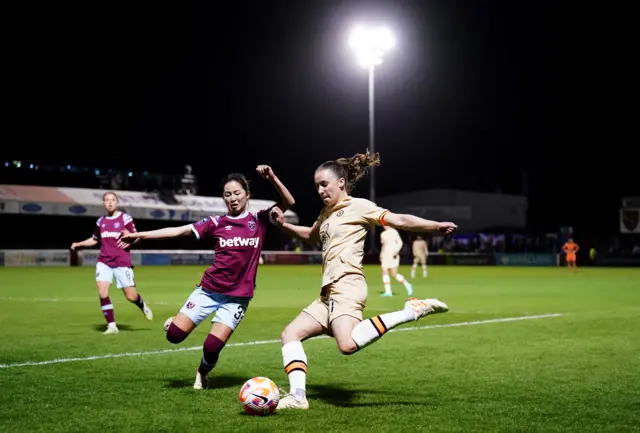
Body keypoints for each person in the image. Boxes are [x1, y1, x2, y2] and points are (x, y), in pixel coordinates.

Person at [269, 152, 457, 410]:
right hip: (327, 293)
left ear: (341, 183)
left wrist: (434, 226)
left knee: (346, 344)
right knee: (290, 334)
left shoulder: (359, 207)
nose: (321, 190)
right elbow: (312, 235)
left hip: (348, 286)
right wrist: (283, 225)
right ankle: (298, 397)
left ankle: (410, 311)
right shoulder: (326, 213)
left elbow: (399, 220)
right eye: (317, 186)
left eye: (324, 184)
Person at [119, 165, 294, 389]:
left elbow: (288, 202)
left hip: (237, 298)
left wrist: (272, 177)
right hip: (209, 290)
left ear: (247, 195)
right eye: (228, 194)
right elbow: (179, 230)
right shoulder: (215, 223)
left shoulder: (259, 220)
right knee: (174, 336)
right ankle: (175, 323)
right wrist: (140, 235)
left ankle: (202, 372)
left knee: (212, 346)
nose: (232, 198)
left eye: (237, 193)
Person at [70, 192, 153, 335]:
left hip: (122, 262)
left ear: (117, 203)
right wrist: (79, 244)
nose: (109, 202)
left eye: (113, 200)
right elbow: (95, 239)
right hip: (104, 262)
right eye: (107, 200)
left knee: (131, 296)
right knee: (102, 293)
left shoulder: (125, 219)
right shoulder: (100, 221)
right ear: (103, 203)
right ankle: (112, 326)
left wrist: (131, 237)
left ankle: (141, 304)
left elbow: (137, 237)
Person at [379, 225, 413, 297]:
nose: (384, 225)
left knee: (394, 273)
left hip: (393, 255)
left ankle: (407, 285)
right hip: (385, 254)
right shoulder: (383, 234)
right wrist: (381, 254)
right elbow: (383, 245)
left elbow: (400, 242)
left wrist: (396, 251)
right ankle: (388, 291)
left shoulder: (394, 232)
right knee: (384, 271)